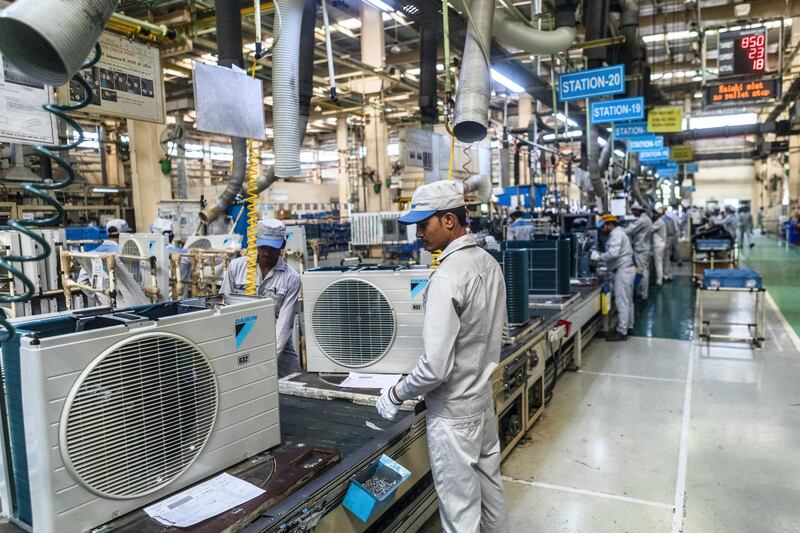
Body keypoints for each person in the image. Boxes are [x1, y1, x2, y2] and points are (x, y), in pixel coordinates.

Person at [375, 180, 510, 533]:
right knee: (491, 494)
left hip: (452, 416)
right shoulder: (488, 263)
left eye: (424, 224)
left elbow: (435, 367)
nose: (418, 233)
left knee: (460, 513)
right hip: (481, 402)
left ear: (449, 221)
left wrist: (396, 393)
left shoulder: (448, 277)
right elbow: (502, 332)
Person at [221, 219, 301, 377]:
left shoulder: (291, 278)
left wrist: (265, 364)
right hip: (240, 339)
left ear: (283, 245)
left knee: (294, 384)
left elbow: (284, 326)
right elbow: (223, 308)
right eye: (262, 246)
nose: (266, 253)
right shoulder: (237, 267)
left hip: (277, 343)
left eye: (272, 248)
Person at [592, 214, 636, 342]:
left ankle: (622, 332)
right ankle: (629, 326)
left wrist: (598, 257)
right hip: (626, 269)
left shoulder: (616, 234)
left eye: (604, 227)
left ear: (610, 225)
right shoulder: (619, 232)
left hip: (623, 271)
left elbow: (613, 253)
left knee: (621, 301)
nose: (602, 230)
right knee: (628, 301)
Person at [76, 218, 129, 306]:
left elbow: (81, 282)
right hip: (125, 304)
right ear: (124, 234)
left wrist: (97, 299)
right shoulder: (123, 254)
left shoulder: (92, 254)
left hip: (103, 304)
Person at [624, 203, 653, 300]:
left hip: (641, 249)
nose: (632, 212)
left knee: (642, 271)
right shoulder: (647, 219)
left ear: (638, 210)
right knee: (644, 270)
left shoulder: (642, 220)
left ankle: (643, 294)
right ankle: (643, 293)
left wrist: (618, 229)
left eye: (633, 210)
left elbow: (629, 230)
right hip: (645, 247)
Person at [650, 210, 667, 287]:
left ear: (658, 214)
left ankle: (659, 281)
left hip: (658, 245)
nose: (653, 215)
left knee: (658, 263)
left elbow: (649, 229)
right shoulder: (659, 221)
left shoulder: (659, 222)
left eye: (654, 214)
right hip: (660, 244)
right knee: (659, 262)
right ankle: (660, 277)